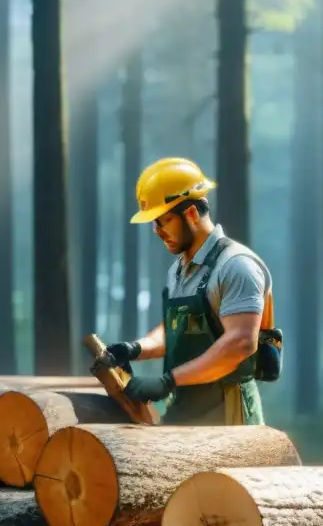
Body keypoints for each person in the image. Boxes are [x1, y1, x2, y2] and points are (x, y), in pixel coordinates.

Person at [94, 157, 277, 426]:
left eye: (164, 221)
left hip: (229, 412)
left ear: (191, 214)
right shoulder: (180, 268)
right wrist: (135, 349)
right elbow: (177, 328)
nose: (157, 231)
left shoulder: (236, 266)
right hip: (185, 405)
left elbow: (240, 343)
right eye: (154, 224)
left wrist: (168, 380)